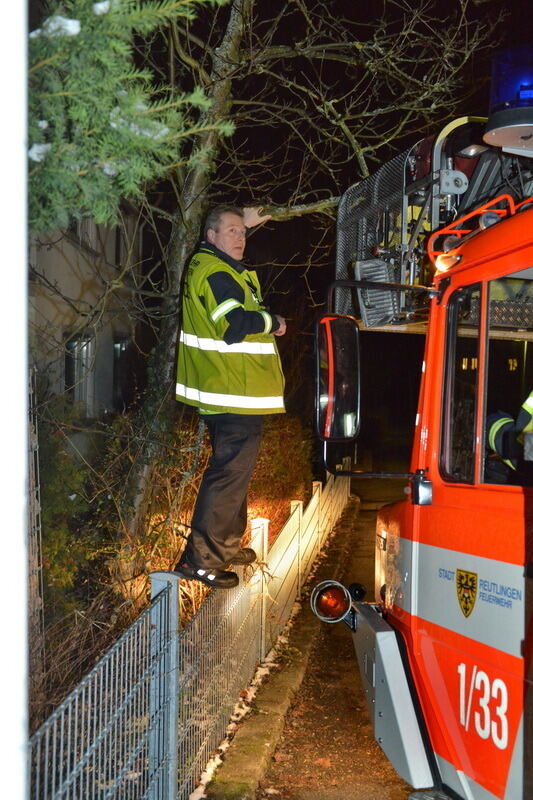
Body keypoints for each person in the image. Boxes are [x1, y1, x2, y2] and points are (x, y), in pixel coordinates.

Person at [174, 205, 287, 588]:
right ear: (211, 237)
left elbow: (227, 236)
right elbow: (235, 325)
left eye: (243, 232)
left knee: (233, 476)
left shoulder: (210, 264)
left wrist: (242, 220)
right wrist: (275, 322)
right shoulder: (218, 274)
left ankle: (224, 544)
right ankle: (201, 562)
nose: (240, 238)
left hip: (229, 390)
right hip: (231, 391)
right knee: (227, 477)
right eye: (232, 232)